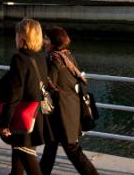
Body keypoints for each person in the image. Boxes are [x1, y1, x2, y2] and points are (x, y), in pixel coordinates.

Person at [39, 27, 99, 175]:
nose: (43, 41)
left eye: (45, 38)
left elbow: (49, 85)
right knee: (51, 146)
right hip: (71, 107)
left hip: (61, 112)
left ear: (52, 42)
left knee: (72, 149)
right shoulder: (68, 56)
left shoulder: (53, 58)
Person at [0, 19, 49, 175]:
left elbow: (15, 93)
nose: (15, 38)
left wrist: (4, 122)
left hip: (21, 119)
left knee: (30, 163)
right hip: (35, 116)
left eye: (16, 34)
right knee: (18, 162)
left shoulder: (19, 59)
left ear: (22, 37)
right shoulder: (40, 58)